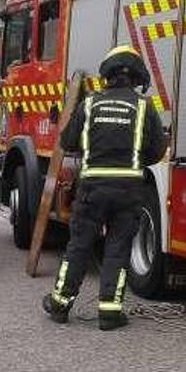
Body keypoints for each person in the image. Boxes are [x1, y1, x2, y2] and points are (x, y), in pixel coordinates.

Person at [43, 45, 167, 331]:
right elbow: (158, 150)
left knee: (79, 245)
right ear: (136, 76)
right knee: (118, 248)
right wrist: (135, 160)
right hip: (129, 189)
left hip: (92, 189)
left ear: (107, 74)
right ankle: (110, 313)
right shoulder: (144, 106)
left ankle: (60, 304)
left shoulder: (89, 104)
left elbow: (67, 141)